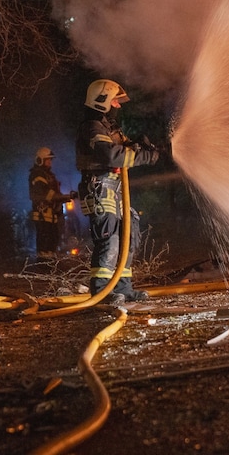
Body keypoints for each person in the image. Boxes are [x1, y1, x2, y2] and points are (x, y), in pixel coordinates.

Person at [76, 79, 160, 305]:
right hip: (100, 188)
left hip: (116, 189)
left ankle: (123, 288)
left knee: (128, 236)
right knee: (109, 238)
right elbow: (110, 155)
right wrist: (143, 156)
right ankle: (102, 292)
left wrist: (141, 146)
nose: (118, 106)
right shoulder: (92, 127)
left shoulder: (109, 128)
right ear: (102, 100)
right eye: (115, 101)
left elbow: (123, 148)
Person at [28, 147, 76, 261]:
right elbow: (46, 194)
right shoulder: (37, 175)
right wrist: (65, 197)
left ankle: (51, 265)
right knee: (44, 244)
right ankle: (43, 265)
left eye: (50, 160)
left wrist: (64, 198)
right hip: (42, 215)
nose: (50, 162)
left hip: (51, 216)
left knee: (52, 241)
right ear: (40, 160)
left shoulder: (48, 175)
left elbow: (54, 193)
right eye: (47, 160)